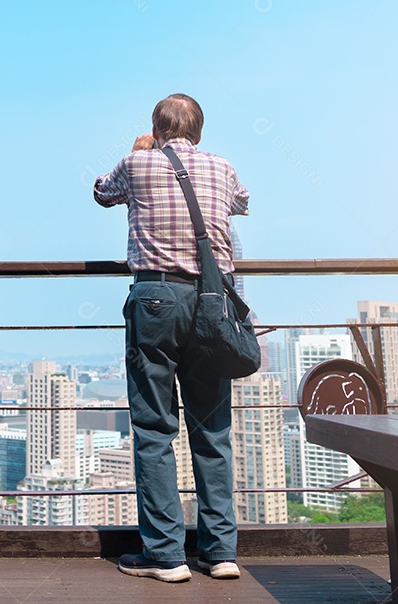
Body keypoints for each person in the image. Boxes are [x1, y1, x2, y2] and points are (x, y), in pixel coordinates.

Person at [93, 93, 250, 583]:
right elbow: (242, 204)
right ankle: (220, 553)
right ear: (199, 133)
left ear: (156, 130)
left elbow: (101, 192)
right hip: (212, 303)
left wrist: (142, 149)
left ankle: (166, 556)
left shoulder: (136, 163)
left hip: (156, 299)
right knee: (213, 431)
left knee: (155, 430)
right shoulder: (222, 167)